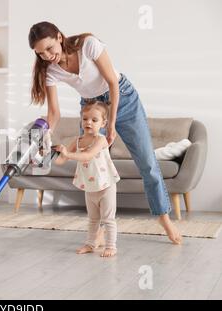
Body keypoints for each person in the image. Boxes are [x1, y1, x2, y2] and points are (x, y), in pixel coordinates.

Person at [28, 21, 182, 244]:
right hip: (91, 107)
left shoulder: (88, 45)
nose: (47, 56)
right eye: (40, 53)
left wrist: (111, 125)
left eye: (49, 48)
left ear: (59, 38)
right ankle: (100, 225)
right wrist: (45, 135)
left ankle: (163, 217)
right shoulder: (50, 71)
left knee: (147, 163)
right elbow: (53, 113)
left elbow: (112, 82)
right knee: (90, 165)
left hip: (123, 99)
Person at [55, 101, 119, 257]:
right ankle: (90, 244)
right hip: (90, 187)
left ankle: (111, 246)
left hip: (105, 186)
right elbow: (60, 161)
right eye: (85, 119)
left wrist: (68, 154)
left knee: (108, 219)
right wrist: (51, 153)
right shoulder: (76, 141)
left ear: (103, 123)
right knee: (93, 219)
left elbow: (88, 156)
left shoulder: (101, 140)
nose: (88, 122)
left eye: (94, 120)